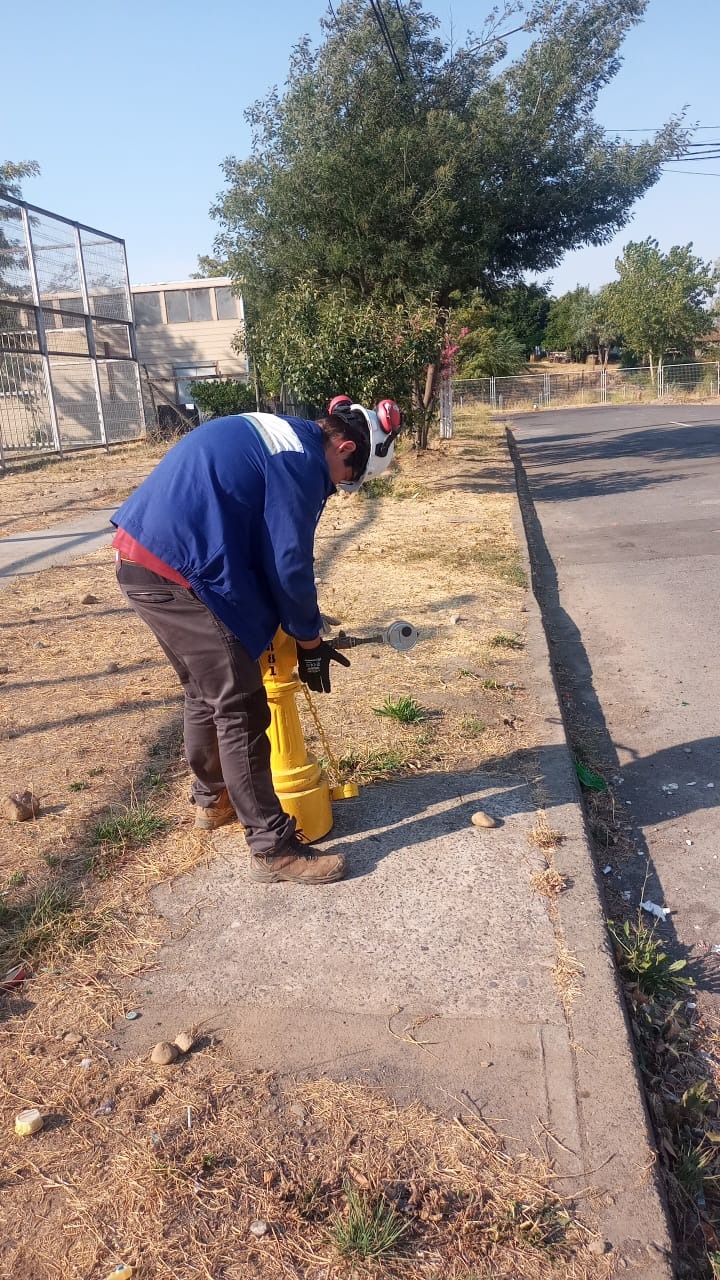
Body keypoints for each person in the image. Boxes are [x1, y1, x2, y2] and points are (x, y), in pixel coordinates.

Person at [110, 398, 402, 885]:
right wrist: (309, 639)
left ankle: (213, 800)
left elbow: (257, 537)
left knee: (207, 692)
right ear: (345, 446)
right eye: (348, 478)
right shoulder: (303, 462)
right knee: (243, 707)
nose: (340, 489)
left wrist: (295, 625)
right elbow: (288, 563)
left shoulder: (286, 433)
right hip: (177, 572)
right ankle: (272, 848)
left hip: (142, 560)